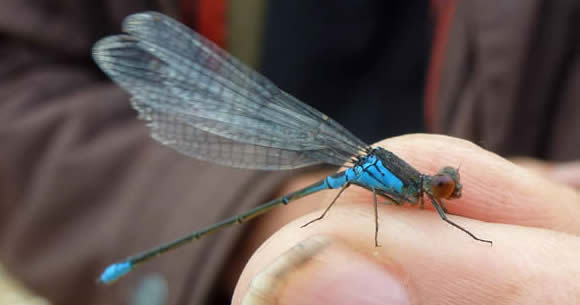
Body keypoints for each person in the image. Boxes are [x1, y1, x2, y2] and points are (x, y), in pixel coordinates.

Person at [0, 1, 578, 305]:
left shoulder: (417, 179)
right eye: (445, 186)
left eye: (445, 186)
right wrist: (275, 220)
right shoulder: (405, 179)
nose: (446, 188)